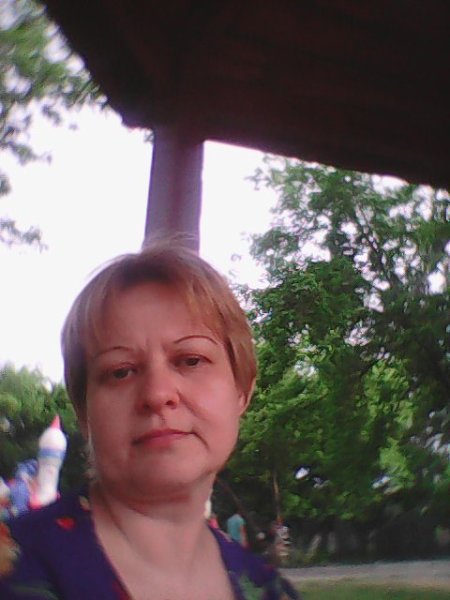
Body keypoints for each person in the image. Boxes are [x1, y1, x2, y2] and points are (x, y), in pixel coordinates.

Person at [0, 241, 301, 599]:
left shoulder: (270, 590)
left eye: (191, 360)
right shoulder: (12, 569)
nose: (157, 394)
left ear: (242, 391)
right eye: (121, 371)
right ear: (84, 412)